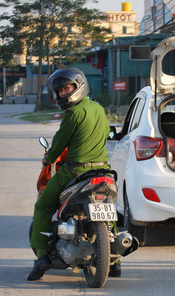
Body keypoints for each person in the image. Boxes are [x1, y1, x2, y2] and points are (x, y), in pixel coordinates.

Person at [28, 68, 111, 281]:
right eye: (61, 90)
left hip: (77, 170)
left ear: (78, 86)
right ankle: (115, 261)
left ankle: (41, 257)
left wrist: (49, 158)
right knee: (106, 208)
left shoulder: (73, 113)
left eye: (67, 88)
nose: (64, 93)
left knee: (43, 206)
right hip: (103, 169)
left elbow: (58, 145)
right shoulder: (99, 109)